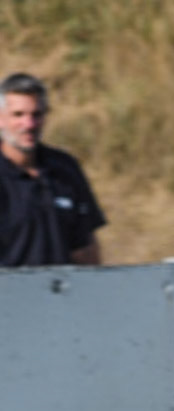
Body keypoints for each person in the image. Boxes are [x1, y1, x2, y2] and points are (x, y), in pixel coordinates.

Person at [0, 72, 104, 267]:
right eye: (18, 115)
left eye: (36, 115)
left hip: (61, 293)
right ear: (1, 119)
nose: (29, 124)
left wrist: (96, 291)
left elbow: (84, 246)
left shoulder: (65, 168)